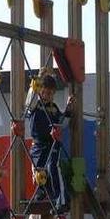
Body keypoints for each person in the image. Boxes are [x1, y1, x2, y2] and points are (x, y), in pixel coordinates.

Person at [27, 75, 75, 212]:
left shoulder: (53, 108)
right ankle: (42, 190)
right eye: (44, 92)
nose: (46, 96)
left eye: (50, 93)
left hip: (51, 144)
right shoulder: (35, 105)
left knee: (53, 167)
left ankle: (60, 200)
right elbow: (29, 102)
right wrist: (33, 86)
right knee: (37, 170)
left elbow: (62, 123)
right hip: (38, 144)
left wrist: (68, 110)